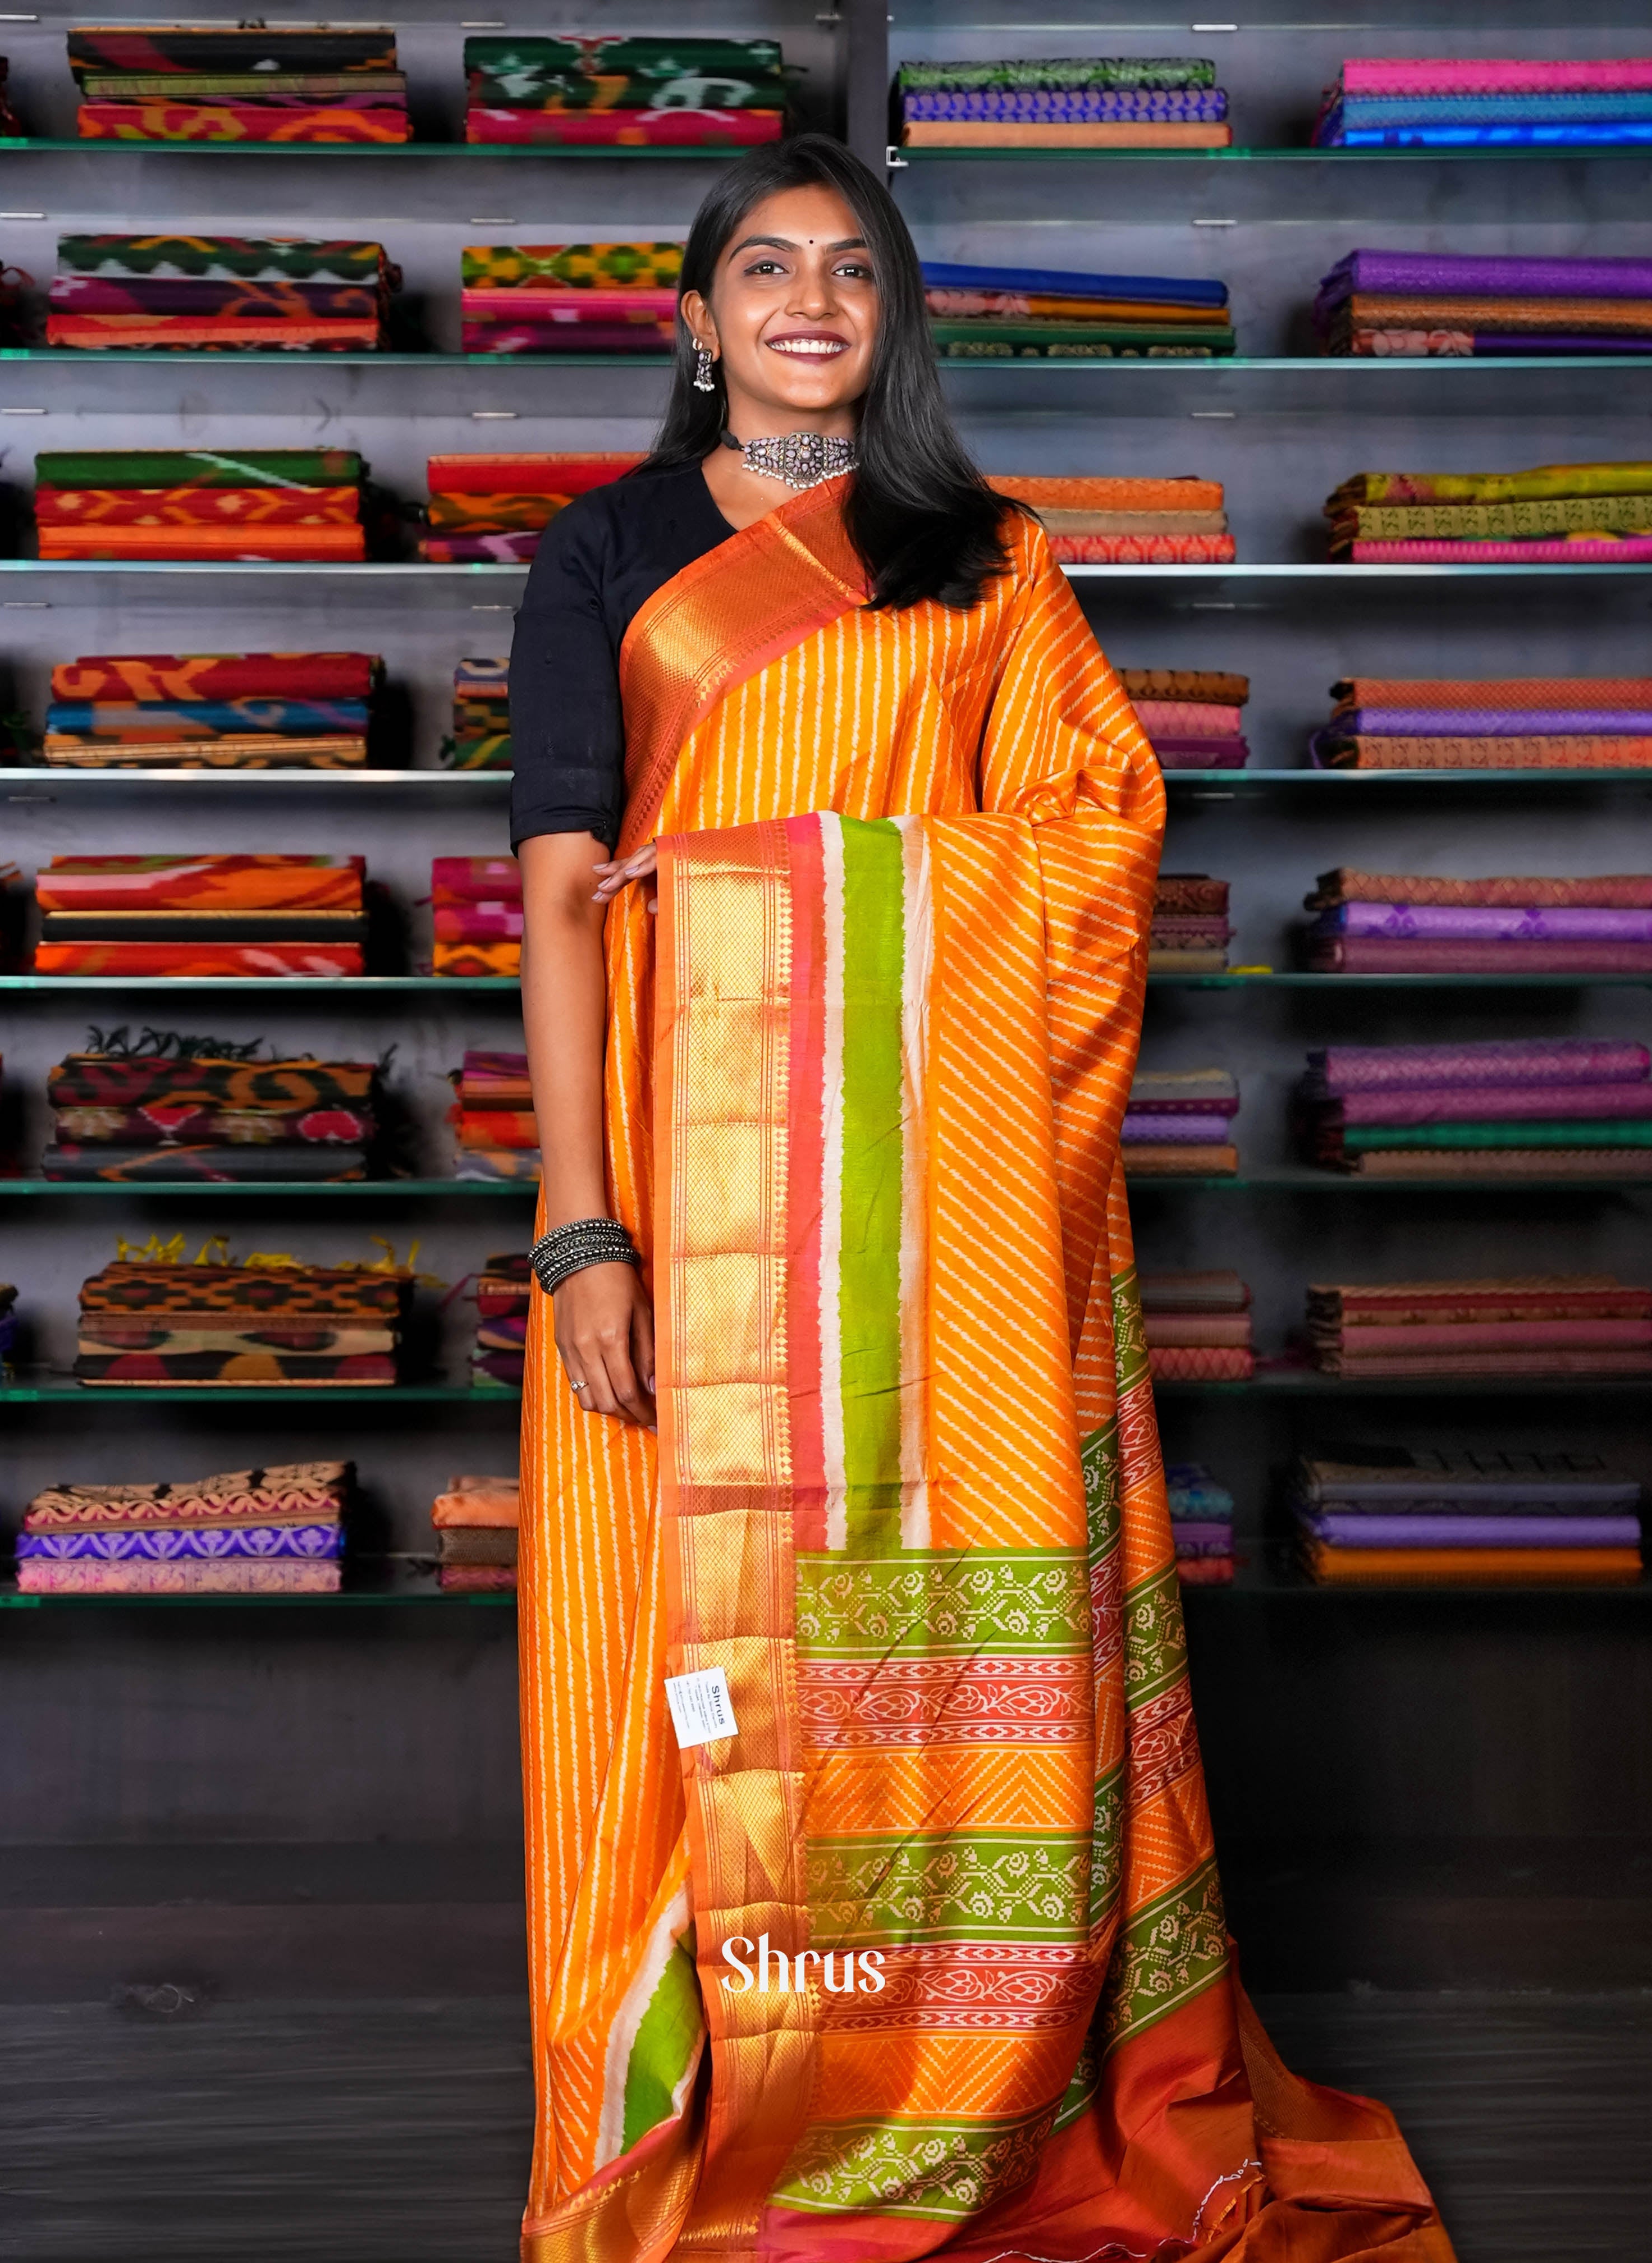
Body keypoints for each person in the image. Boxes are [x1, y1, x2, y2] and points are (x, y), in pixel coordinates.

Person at [510, 133, 1451, 2263]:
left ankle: (968, 2080)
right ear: (695, 316)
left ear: (893, 318)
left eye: (854, 270)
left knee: (937, 1631)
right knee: (666, 1655)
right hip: (680, 1187)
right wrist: (582, 1229)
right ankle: (698, 2113)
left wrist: (783, 887)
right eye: (767, 268)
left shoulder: (986, 558)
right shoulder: (609, 552)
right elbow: (564, 897)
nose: (812, 301)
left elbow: (1098, 844)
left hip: (953, 1228)